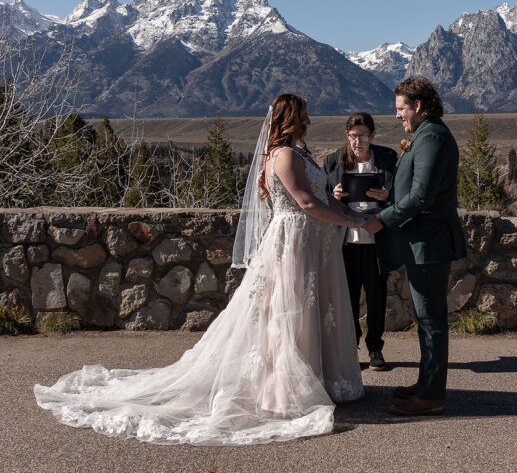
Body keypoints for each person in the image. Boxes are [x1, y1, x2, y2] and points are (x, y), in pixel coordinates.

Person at [35, 94, 369, 446]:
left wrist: (351, 213)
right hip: (293, 243)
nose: (308, 120)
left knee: (309, 311)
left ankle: (319, 380)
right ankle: (283, 391)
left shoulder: (299, 153)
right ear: (290, 119)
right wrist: (349, 221)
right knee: (288, 314)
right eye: (303, 115)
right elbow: (305, 201)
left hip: (313, 244)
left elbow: (323, 197)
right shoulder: (284, 155)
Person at [364, 77, 467, 416]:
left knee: (431, 318)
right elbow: (417, 188)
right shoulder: (425, 134)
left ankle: (432, 394)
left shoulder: (432, 137)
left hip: (429, 242)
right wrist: (390, 196)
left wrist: (383, 219)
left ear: (418, 106)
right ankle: (426, 383)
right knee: (425, 318)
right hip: (423, 241)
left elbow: (422, 196)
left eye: (401, 108)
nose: (397, 115)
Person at [323, 112, 397, 372]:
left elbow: (400, 195)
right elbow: (322, 198)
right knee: (349, 298)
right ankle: (351, 347)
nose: (358, 142)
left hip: (377, 240)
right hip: (346, 242)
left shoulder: (388, 159)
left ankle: (375, 347)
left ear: (372, 136)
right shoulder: (333, 161)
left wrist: (387, 196)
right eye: (353, 136)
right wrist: (333, 195)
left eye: (363, 136)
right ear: (347, 136)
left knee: (377, 297)